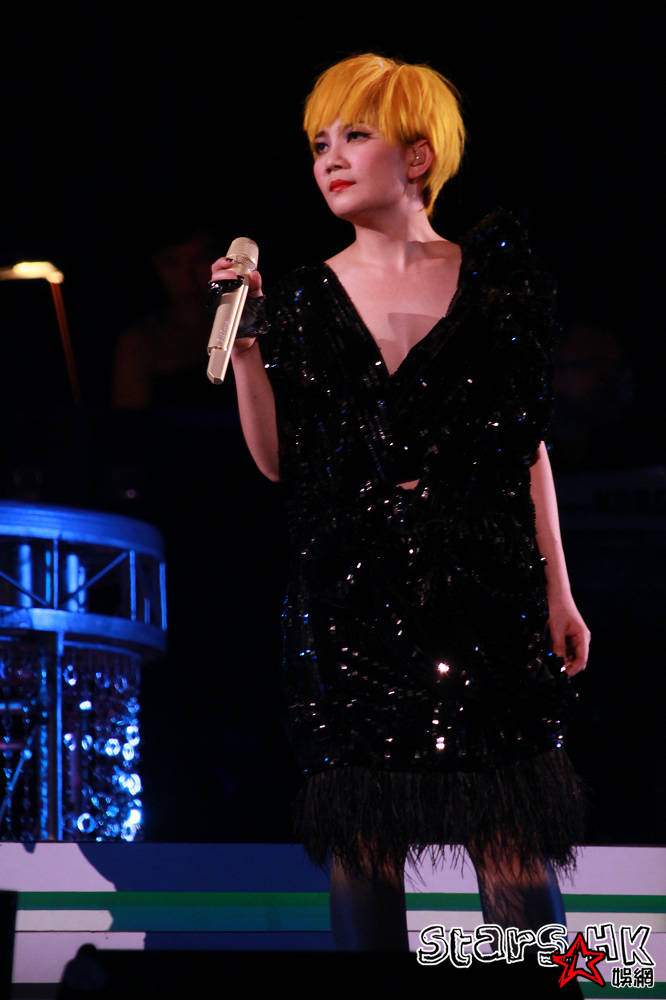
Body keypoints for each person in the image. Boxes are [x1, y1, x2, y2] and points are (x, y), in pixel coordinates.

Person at [210, 52, 592, 971]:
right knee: (365, 845)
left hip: (486, 590)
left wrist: (560, 592)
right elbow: (278, 462)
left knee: (513, 844)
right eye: (319, 144)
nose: (331, 159)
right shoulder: (303, 299)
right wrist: (249, 345)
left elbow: (525, 446)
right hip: (351, 596)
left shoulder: (494, 282)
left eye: (356, 135)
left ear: (417, 157)